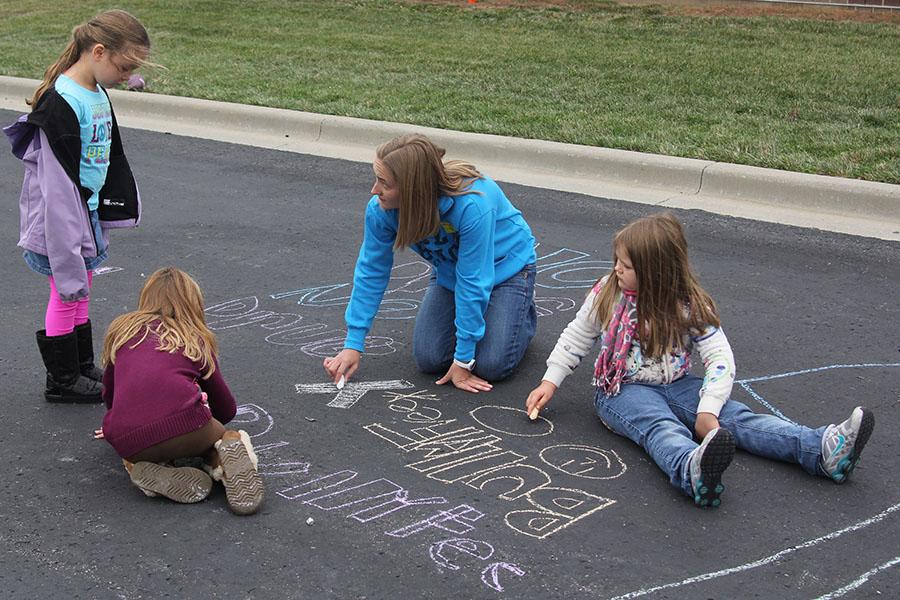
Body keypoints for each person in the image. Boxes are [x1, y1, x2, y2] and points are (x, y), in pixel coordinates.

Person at [525, 212, 875, 508]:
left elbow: (719, 356)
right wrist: (549, 380)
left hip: (679, 384)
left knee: (738, 418)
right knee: (659, 425)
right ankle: (691, 468)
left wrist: (708, 410)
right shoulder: (607, 292)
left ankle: (821, 449)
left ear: (657, 272)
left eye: (626, 265)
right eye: (616, 260)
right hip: (621, 390)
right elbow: (577, 335)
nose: (616, 268)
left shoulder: (688, 305)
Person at [4, 10, 150, 403]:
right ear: (98, 52)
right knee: (65, 290)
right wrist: (67, 250)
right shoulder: (62, 105)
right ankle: (62, 379)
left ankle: (82, 366)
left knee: (80, 291)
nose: (125, 76)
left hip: (83, 213)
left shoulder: (95, 89)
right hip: (60, 222)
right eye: (123, 67)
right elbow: (55, 191)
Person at [324, 133, 538, 393]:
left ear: (414, 190)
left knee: (492, 365)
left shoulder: (472, 204)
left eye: (384, 183)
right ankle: (492, 320)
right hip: (450, 273)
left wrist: (462, 359)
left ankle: (521, 313)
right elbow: (371, 272)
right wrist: (353, 343)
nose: (374, 190)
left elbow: (474, 280)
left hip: (507, 271)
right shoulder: (380, 210)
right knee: (430, 359)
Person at [98, 267, 264, 515]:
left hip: (128, 438)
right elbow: (226, 408)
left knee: (136, 449)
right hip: (188, 428)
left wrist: (120, 420)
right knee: (220, 436)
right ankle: (223, 459)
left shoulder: (122, 331)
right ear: (193, 303)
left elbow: (110, 394)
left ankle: (146, 467)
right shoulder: (194, 337)